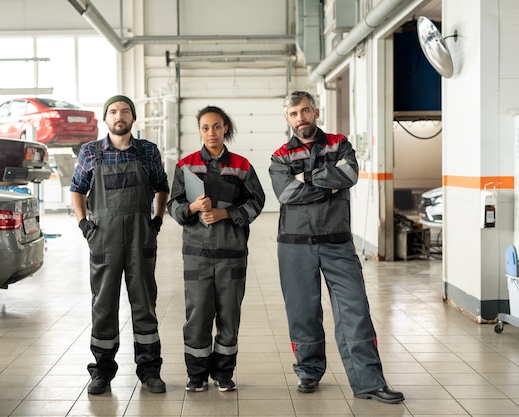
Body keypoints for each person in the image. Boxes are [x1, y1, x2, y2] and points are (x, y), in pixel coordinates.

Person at [269, 91, 404, 404]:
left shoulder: (339, 143)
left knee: (355, 310)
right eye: (293, 114)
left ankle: (369, 381)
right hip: (294, 245)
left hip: (337, 243)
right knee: (302, 312)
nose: (300, 118)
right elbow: (286, 194)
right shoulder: (280, 156)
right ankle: (308, 370)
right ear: (288, 119)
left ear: (316, 112)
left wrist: (306, 178)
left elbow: (350, 174)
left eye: (305, 111)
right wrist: (328, 185)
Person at [70, 95, 169, 395]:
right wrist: (83, 223)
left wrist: (158, 219)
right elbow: (77, 189)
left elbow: (161, 186)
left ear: (133, 118)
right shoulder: (90, 152)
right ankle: (101, 371)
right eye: (113, 111)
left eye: (125, 111)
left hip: (140, 236)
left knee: (144, 304)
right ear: (106, 119)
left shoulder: (147, 152)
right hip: (104, 239)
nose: (119, 116)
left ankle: (150, 370)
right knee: (103, 306)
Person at [167, 106, 265, 392]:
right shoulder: (185, 165)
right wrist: (192, 207)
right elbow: (173, 205)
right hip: (197, 255)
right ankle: (196, 375)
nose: (212, 132)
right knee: (197, 316)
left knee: (229, 316)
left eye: (217, 126)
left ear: (226, 129)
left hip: (232, 255)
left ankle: (224, 373)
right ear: (199, 130)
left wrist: (226, 215)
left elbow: (257, 201)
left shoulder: (241, 166)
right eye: (206, 127)